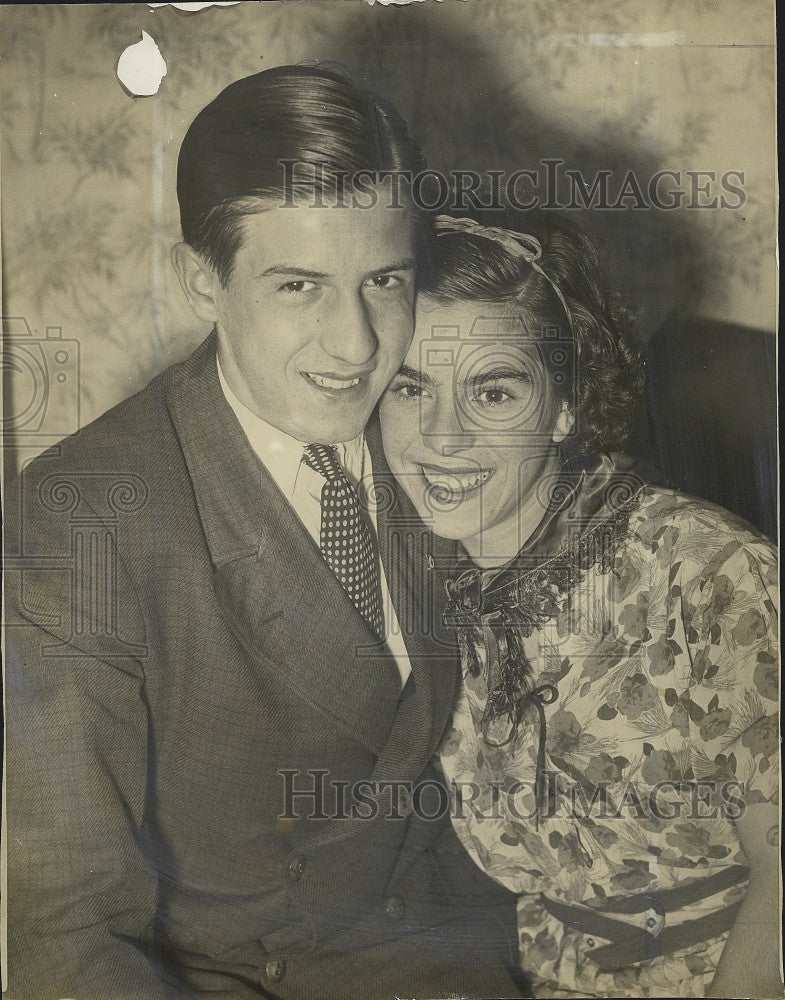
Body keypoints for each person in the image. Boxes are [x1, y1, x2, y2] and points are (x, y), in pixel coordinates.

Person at [4, 69, 526, 999]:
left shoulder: (432, 424)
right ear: (202, 281)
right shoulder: (86, 511)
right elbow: (70, 924)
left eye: (384, 281)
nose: (355, 344)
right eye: (299, 286)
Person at [379, 214, 780, 998]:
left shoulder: (702, 572)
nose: (441, 437)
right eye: (409, 386)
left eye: (492, 390)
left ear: (566, 405)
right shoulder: (423, 592)